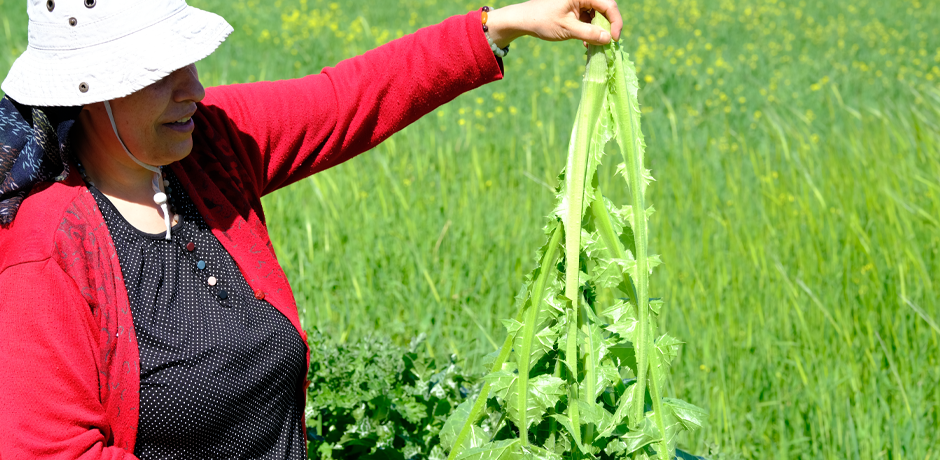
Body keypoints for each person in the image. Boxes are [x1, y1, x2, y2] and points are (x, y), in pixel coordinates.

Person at [0, 0, 622, 457]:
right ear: (91, 91)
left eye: (188, 63)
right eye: (162, 74)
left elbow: (345, 99)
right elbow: (46, 450)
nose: (194, 89)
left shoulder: (208, 147)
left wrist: (501, 25)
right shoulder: (47, 250)